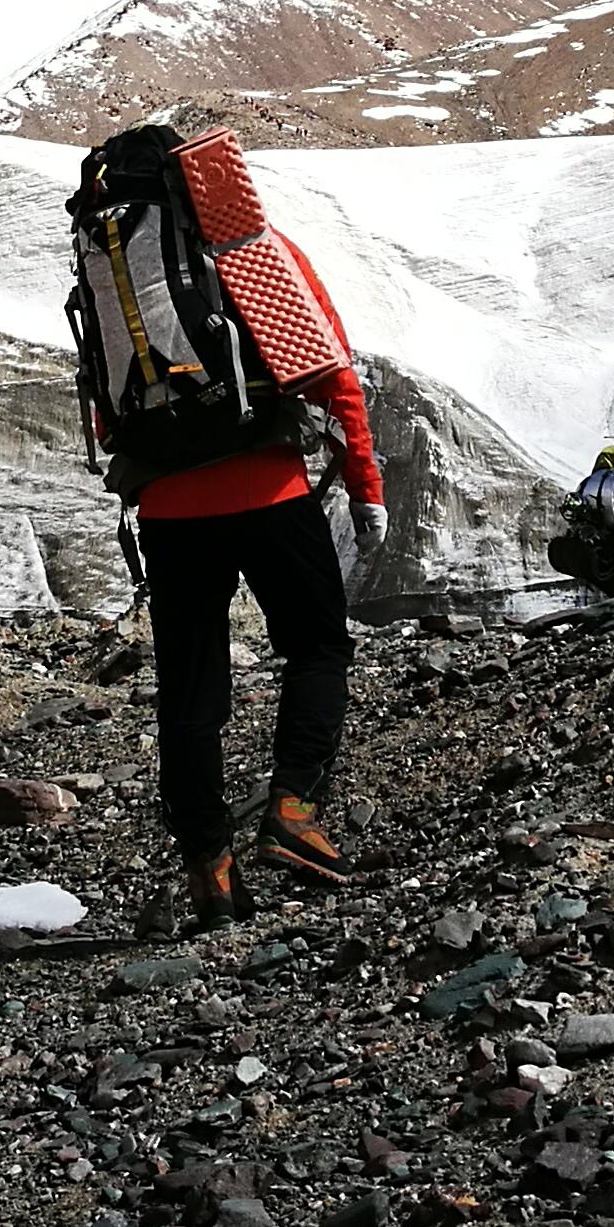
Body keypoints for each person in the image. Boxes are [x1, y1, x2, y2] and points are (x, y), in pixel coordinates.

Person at [125, 215, 387, 927]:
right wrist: (364, 483)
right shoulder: (245, 246)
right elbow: (330, 367)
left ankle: (210, 871)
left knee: (189, 688)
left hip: (169, 507)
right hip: (267, 490)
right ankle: (294, 812)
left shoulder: (114, 269)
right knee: (317, 644)